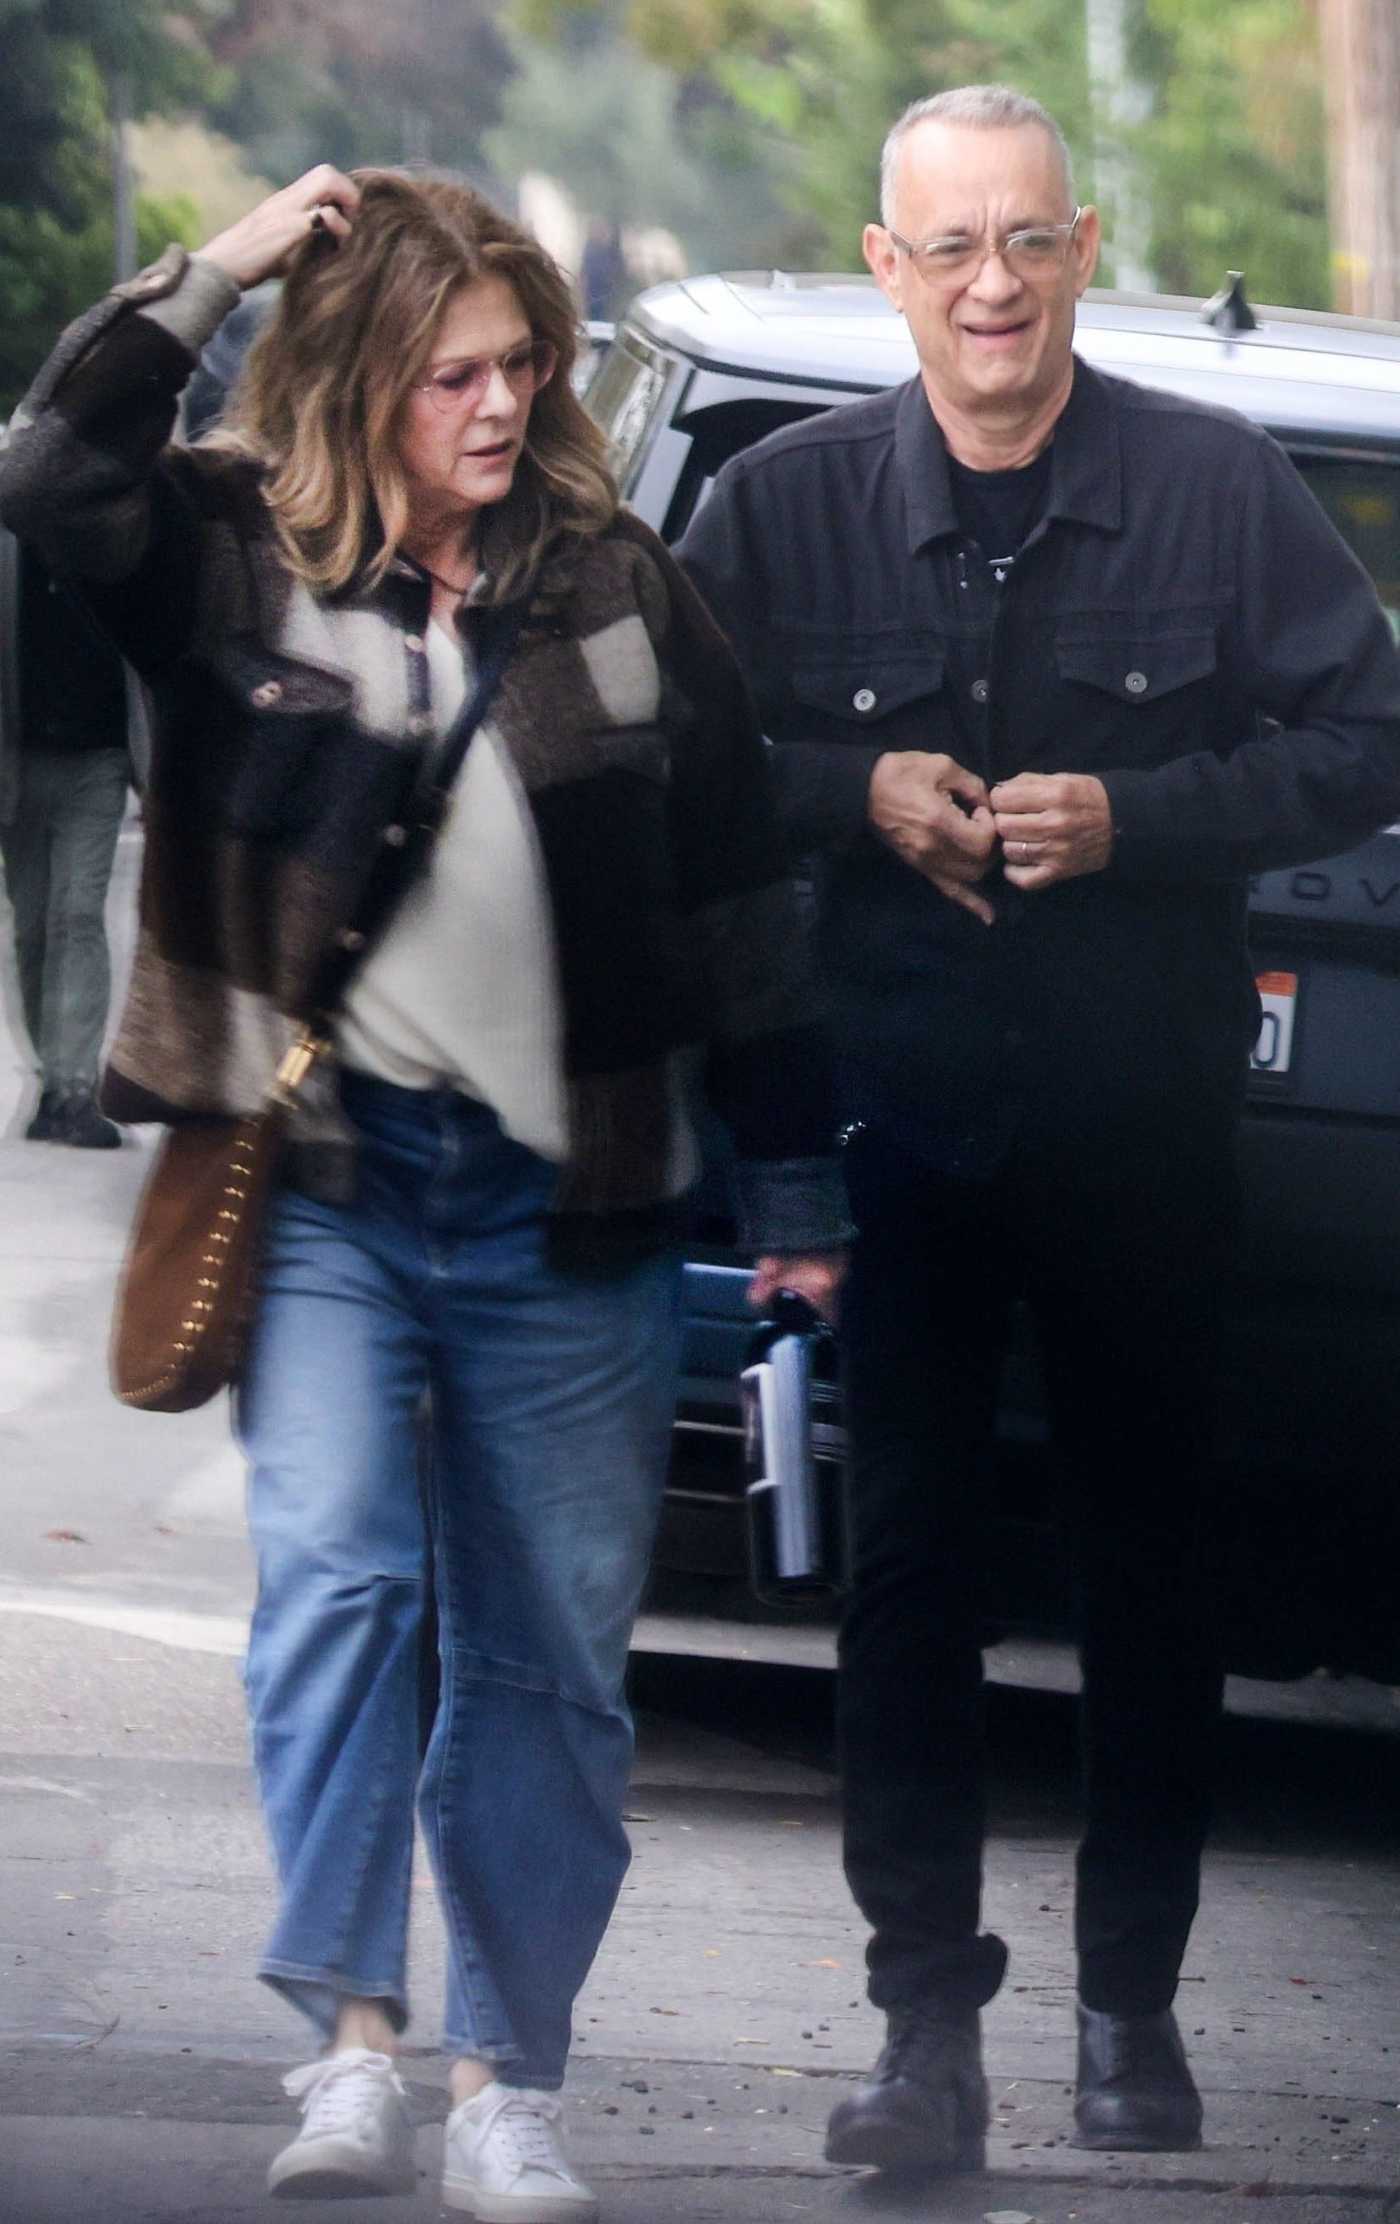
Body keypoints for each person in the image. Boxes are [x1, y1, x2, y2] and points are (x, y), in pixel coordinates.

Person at [0, 164, 848, 2218]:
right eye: (450, 368)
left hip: (579, 1214)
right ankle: (354, 2044)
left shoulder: (623, 582)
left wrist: (799, 1182)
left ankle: (508, 2080)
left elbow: (741, 896)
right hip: (326, 1191)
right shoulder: (230, 553)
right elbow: (43, 463)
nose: (496, 398)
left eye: (522, 363)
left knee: (552, 1661)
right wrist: (226, 257)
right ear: (361, 375)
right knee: (345, 1585)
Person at [678, 83, 1400, 2173]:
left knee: (1146, 1569)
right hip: (891, 1128)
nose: (990, 285)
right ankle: (924, 2029)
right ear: (889, 269)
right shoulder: (785, 508)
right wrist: (854, 788)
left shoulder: (1213, 487)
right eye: (947, 248)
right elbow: (680, 757)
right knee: (902, 1580)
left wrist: (1144, 822)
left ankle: (1129, 2009)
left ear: (1080, 249)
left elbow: (1362, 734)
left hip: (1138, 1127)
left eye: (1025, 241)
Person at [0, 527, 142, 1146]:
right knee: (32, 927)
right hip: (18, 760)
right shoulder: (10, 539)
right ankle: (47, 1077)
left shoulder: (118, 540)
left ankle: (75, 1088)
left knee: (77, 916)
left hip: (98, 757)